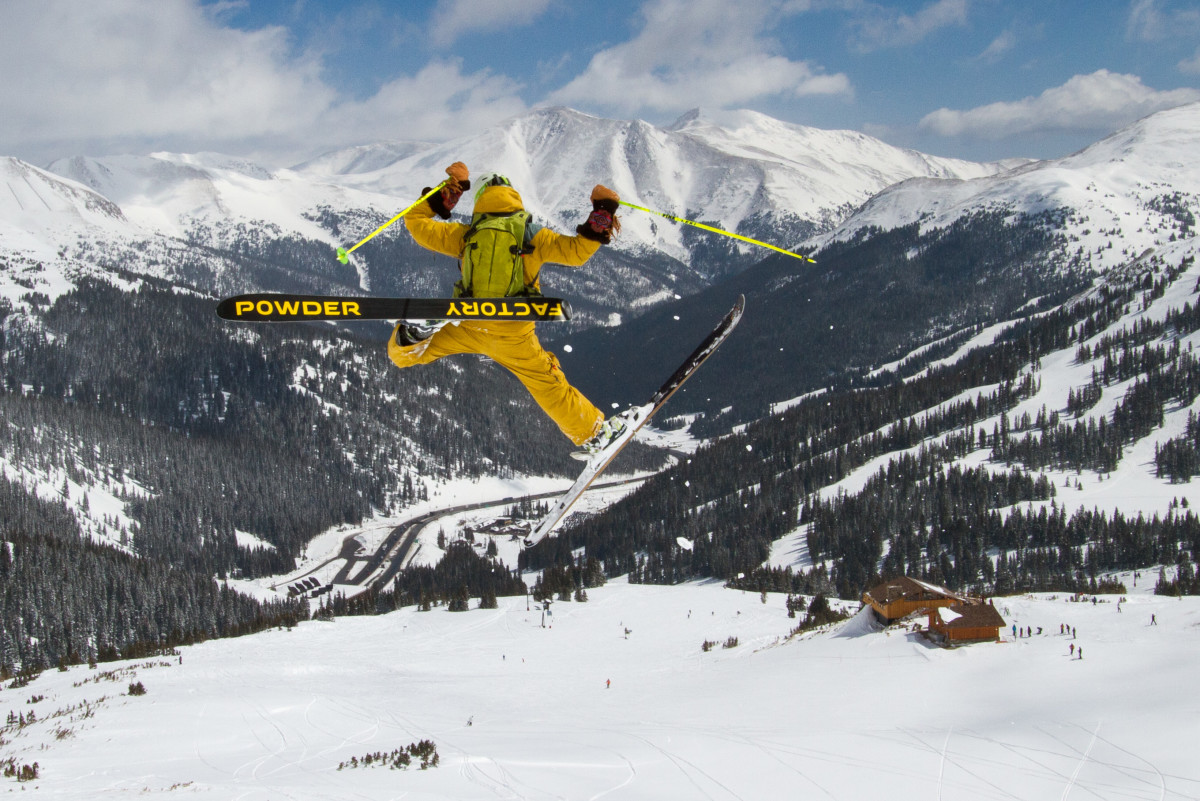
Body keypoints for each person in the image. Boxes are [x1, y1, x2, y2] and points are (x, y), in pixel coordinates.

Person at [389, 162, 625, 455]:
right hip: (514, 334)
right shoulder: (534, 236)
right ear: (513, 196)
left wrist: (450, 188)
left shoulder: (467, 235)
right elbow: (576, 253)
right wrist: (604, 210)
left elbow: (416, 223)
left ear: (480, 198)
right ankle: (593, 434)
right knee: (547, 382)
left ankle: (412, 335)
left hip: (469, 325)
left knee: (406, 357)